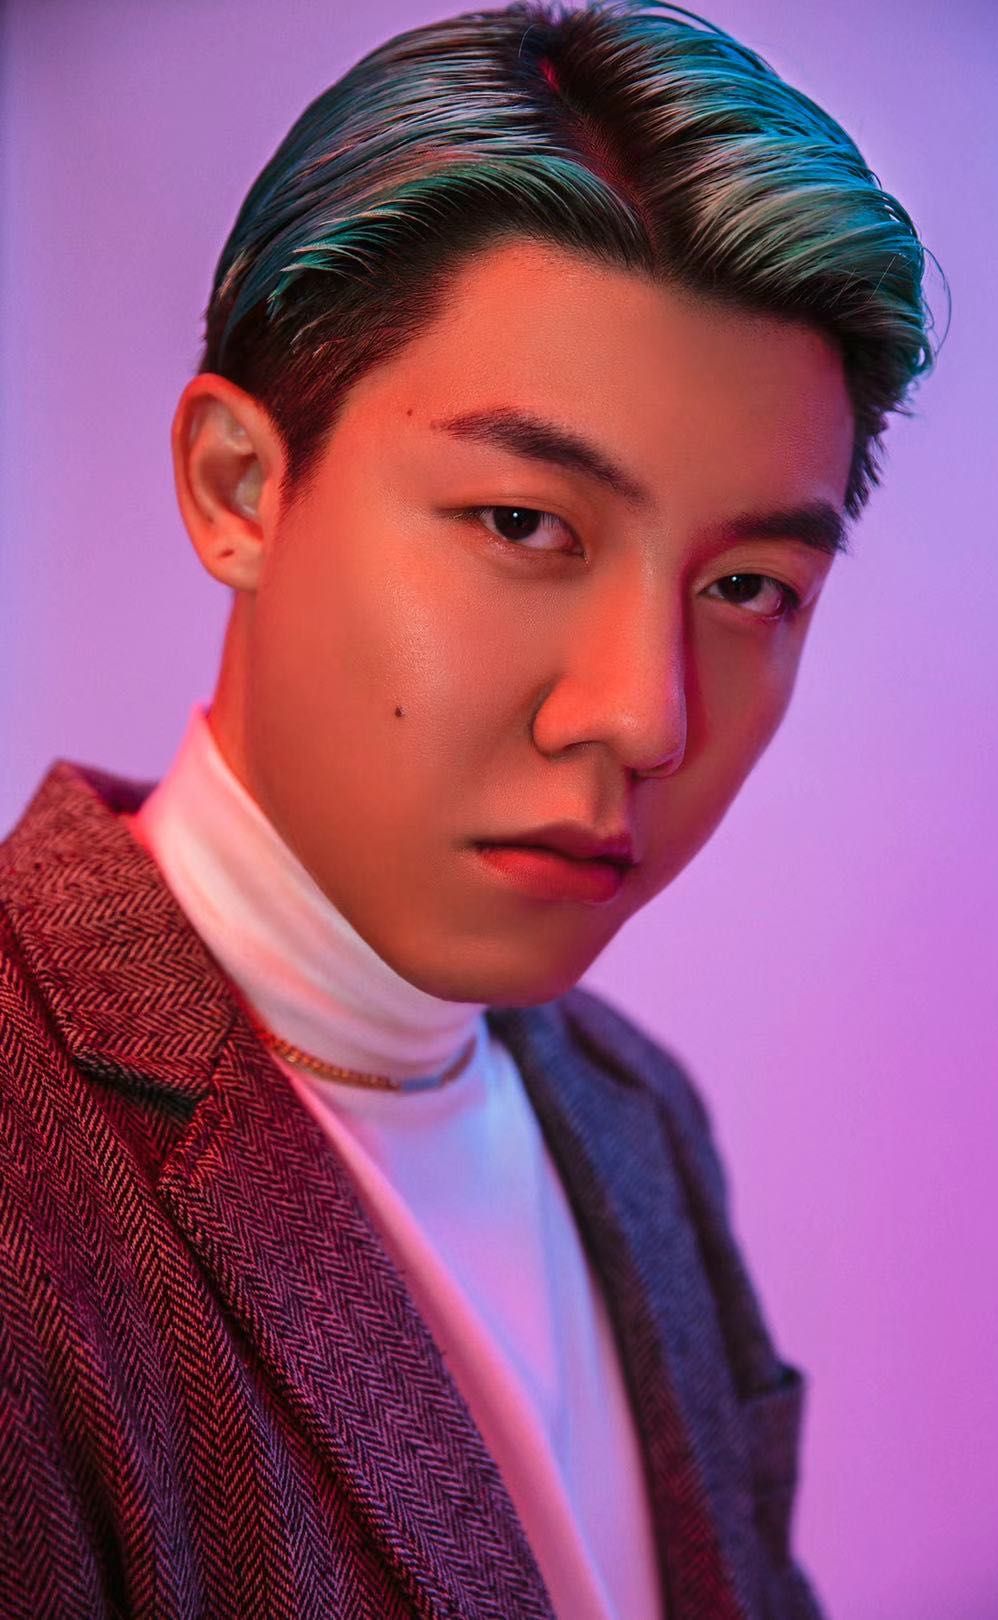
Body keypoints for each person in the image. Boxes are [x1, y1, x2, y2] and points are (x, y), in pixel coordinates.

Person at [0, 2, 939, 1615]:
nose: (644, 714)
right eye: (522, 523)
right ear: (238, 485)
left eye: (747, 587)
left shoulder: (633, 1115)